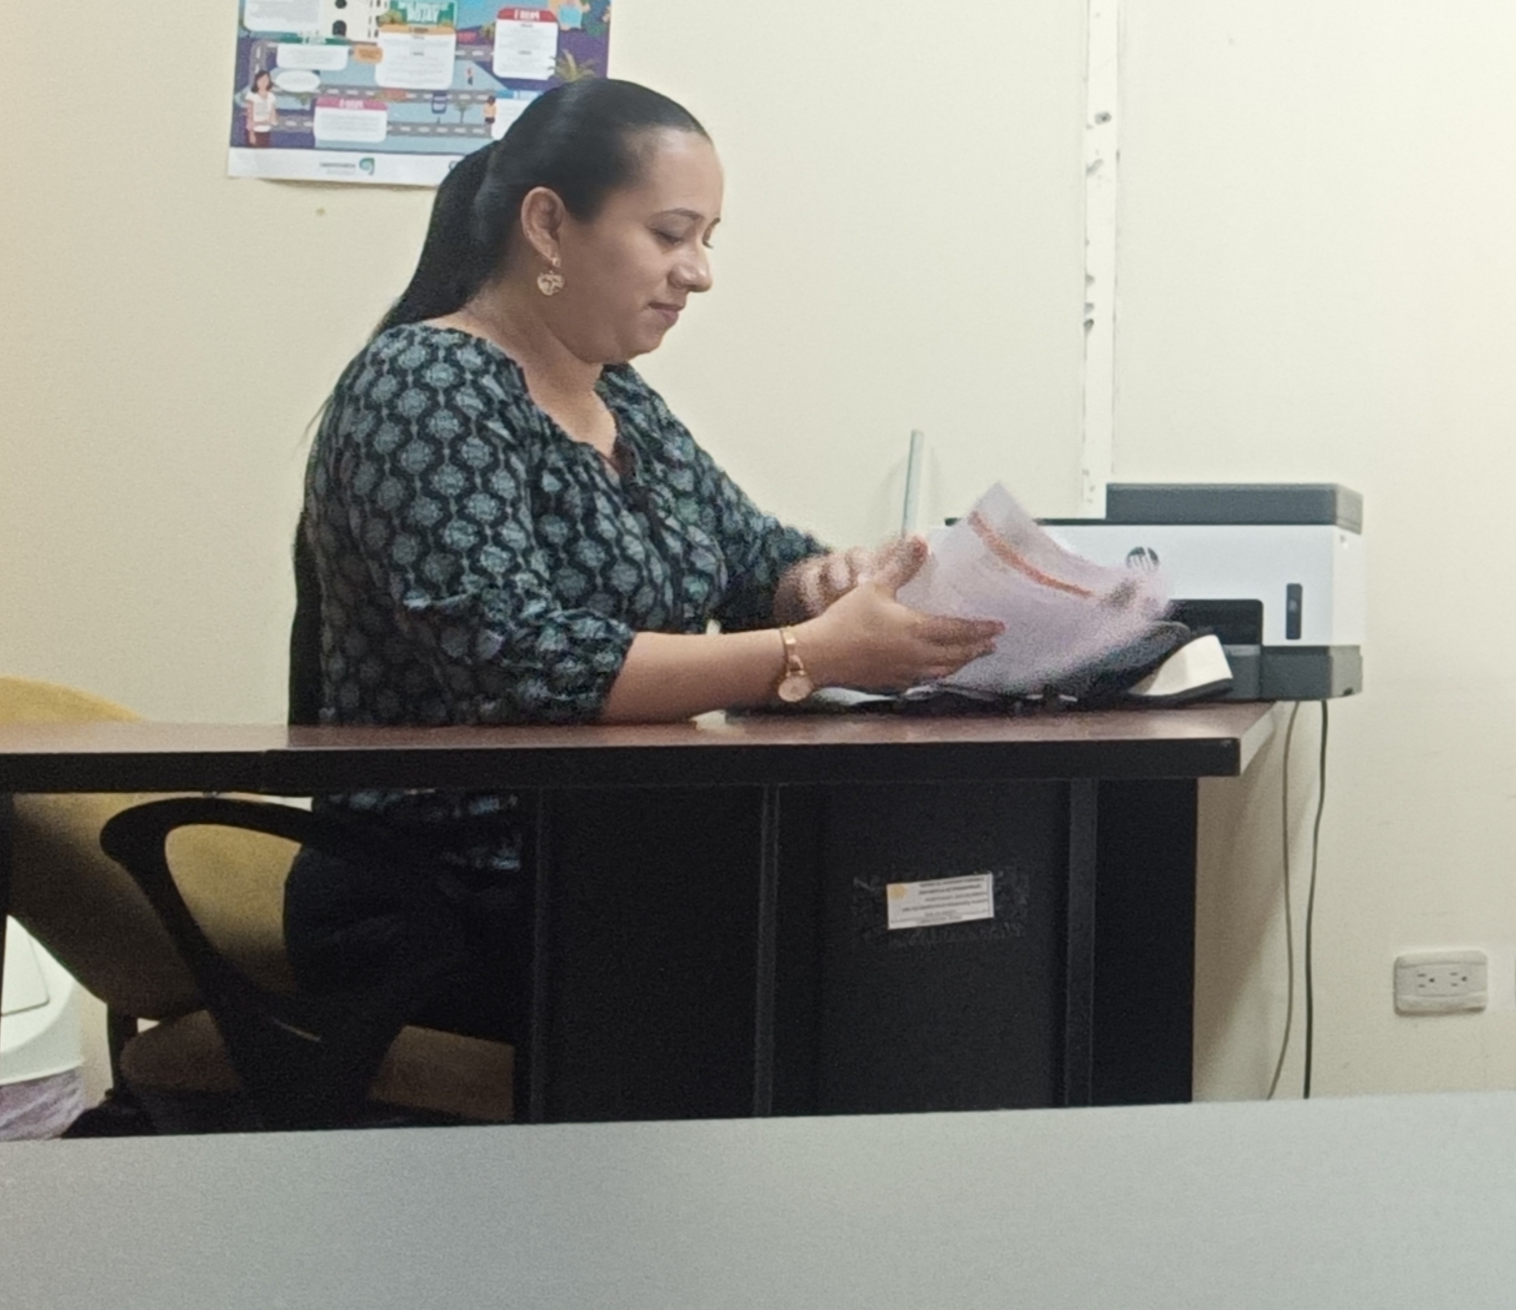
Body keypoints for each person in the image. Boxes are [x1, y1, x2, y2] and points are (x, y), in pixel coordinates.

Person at [289, 78, 1000, 1042]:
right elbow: (526, 664)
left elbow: (752, 562)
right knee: (850, 976)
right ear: (548, 224)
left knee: (915, 933)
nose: (697, 273)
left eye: (707, 239)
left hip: (610, 865)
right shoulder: (428, 384)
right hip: (449, 894)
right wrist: (810, 653)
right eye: (670, 235)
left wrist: (827, 583)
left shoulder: (618, 398)